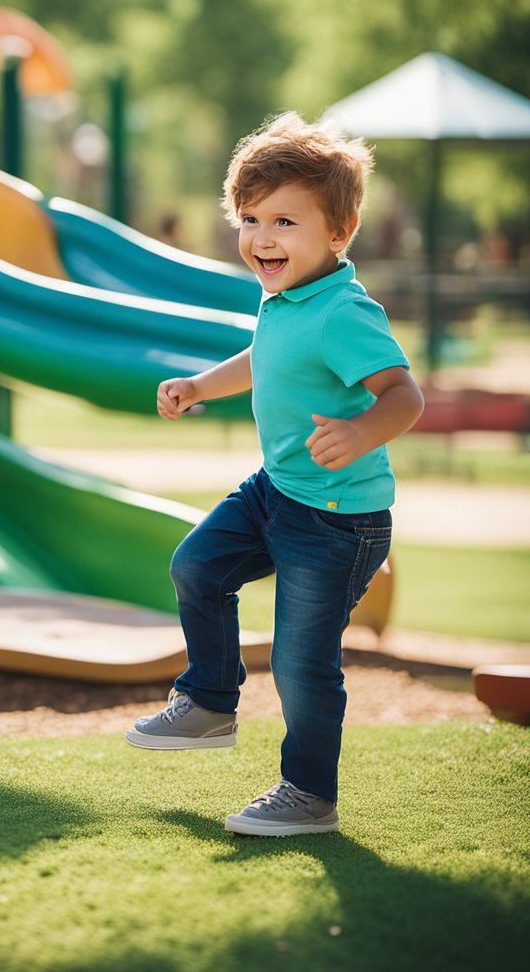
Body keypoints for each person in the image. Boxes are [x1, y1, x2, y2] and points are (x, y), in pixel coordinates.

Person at [125, 112, 424, 837]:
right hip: (276, 492)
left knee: (301, 662)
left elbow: (404, 396)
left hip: (337, 521)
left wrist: (359, 433)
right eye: (251, 217)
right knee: (197, 567)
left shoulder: (344, 313)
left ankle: (308, 794)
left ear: (340, 230)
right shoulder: (286, 298)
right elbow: (264, 358)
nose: (262, 237)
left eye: (285, 221)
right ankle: (209, 701)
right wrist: (200, 385)